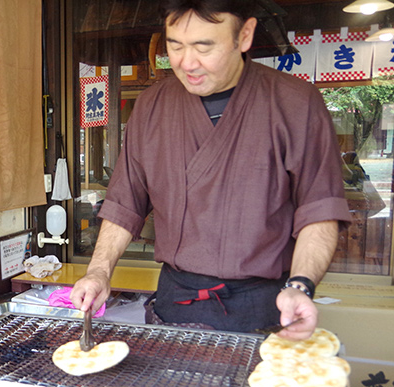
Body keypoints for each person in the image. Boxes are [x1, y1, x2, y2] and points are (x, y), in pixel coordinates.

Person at [70, 0, 352, 341]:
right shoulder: (151, 106)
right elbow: (125, 204)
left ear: (244, 35)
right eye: (175, 46)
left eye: (204, 47)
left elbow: (319, 211)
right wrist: (99, 272)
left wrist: (301, 286)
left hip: (265, 308)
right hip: (174, 303)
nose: (187, 63)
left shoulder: (295, 103)